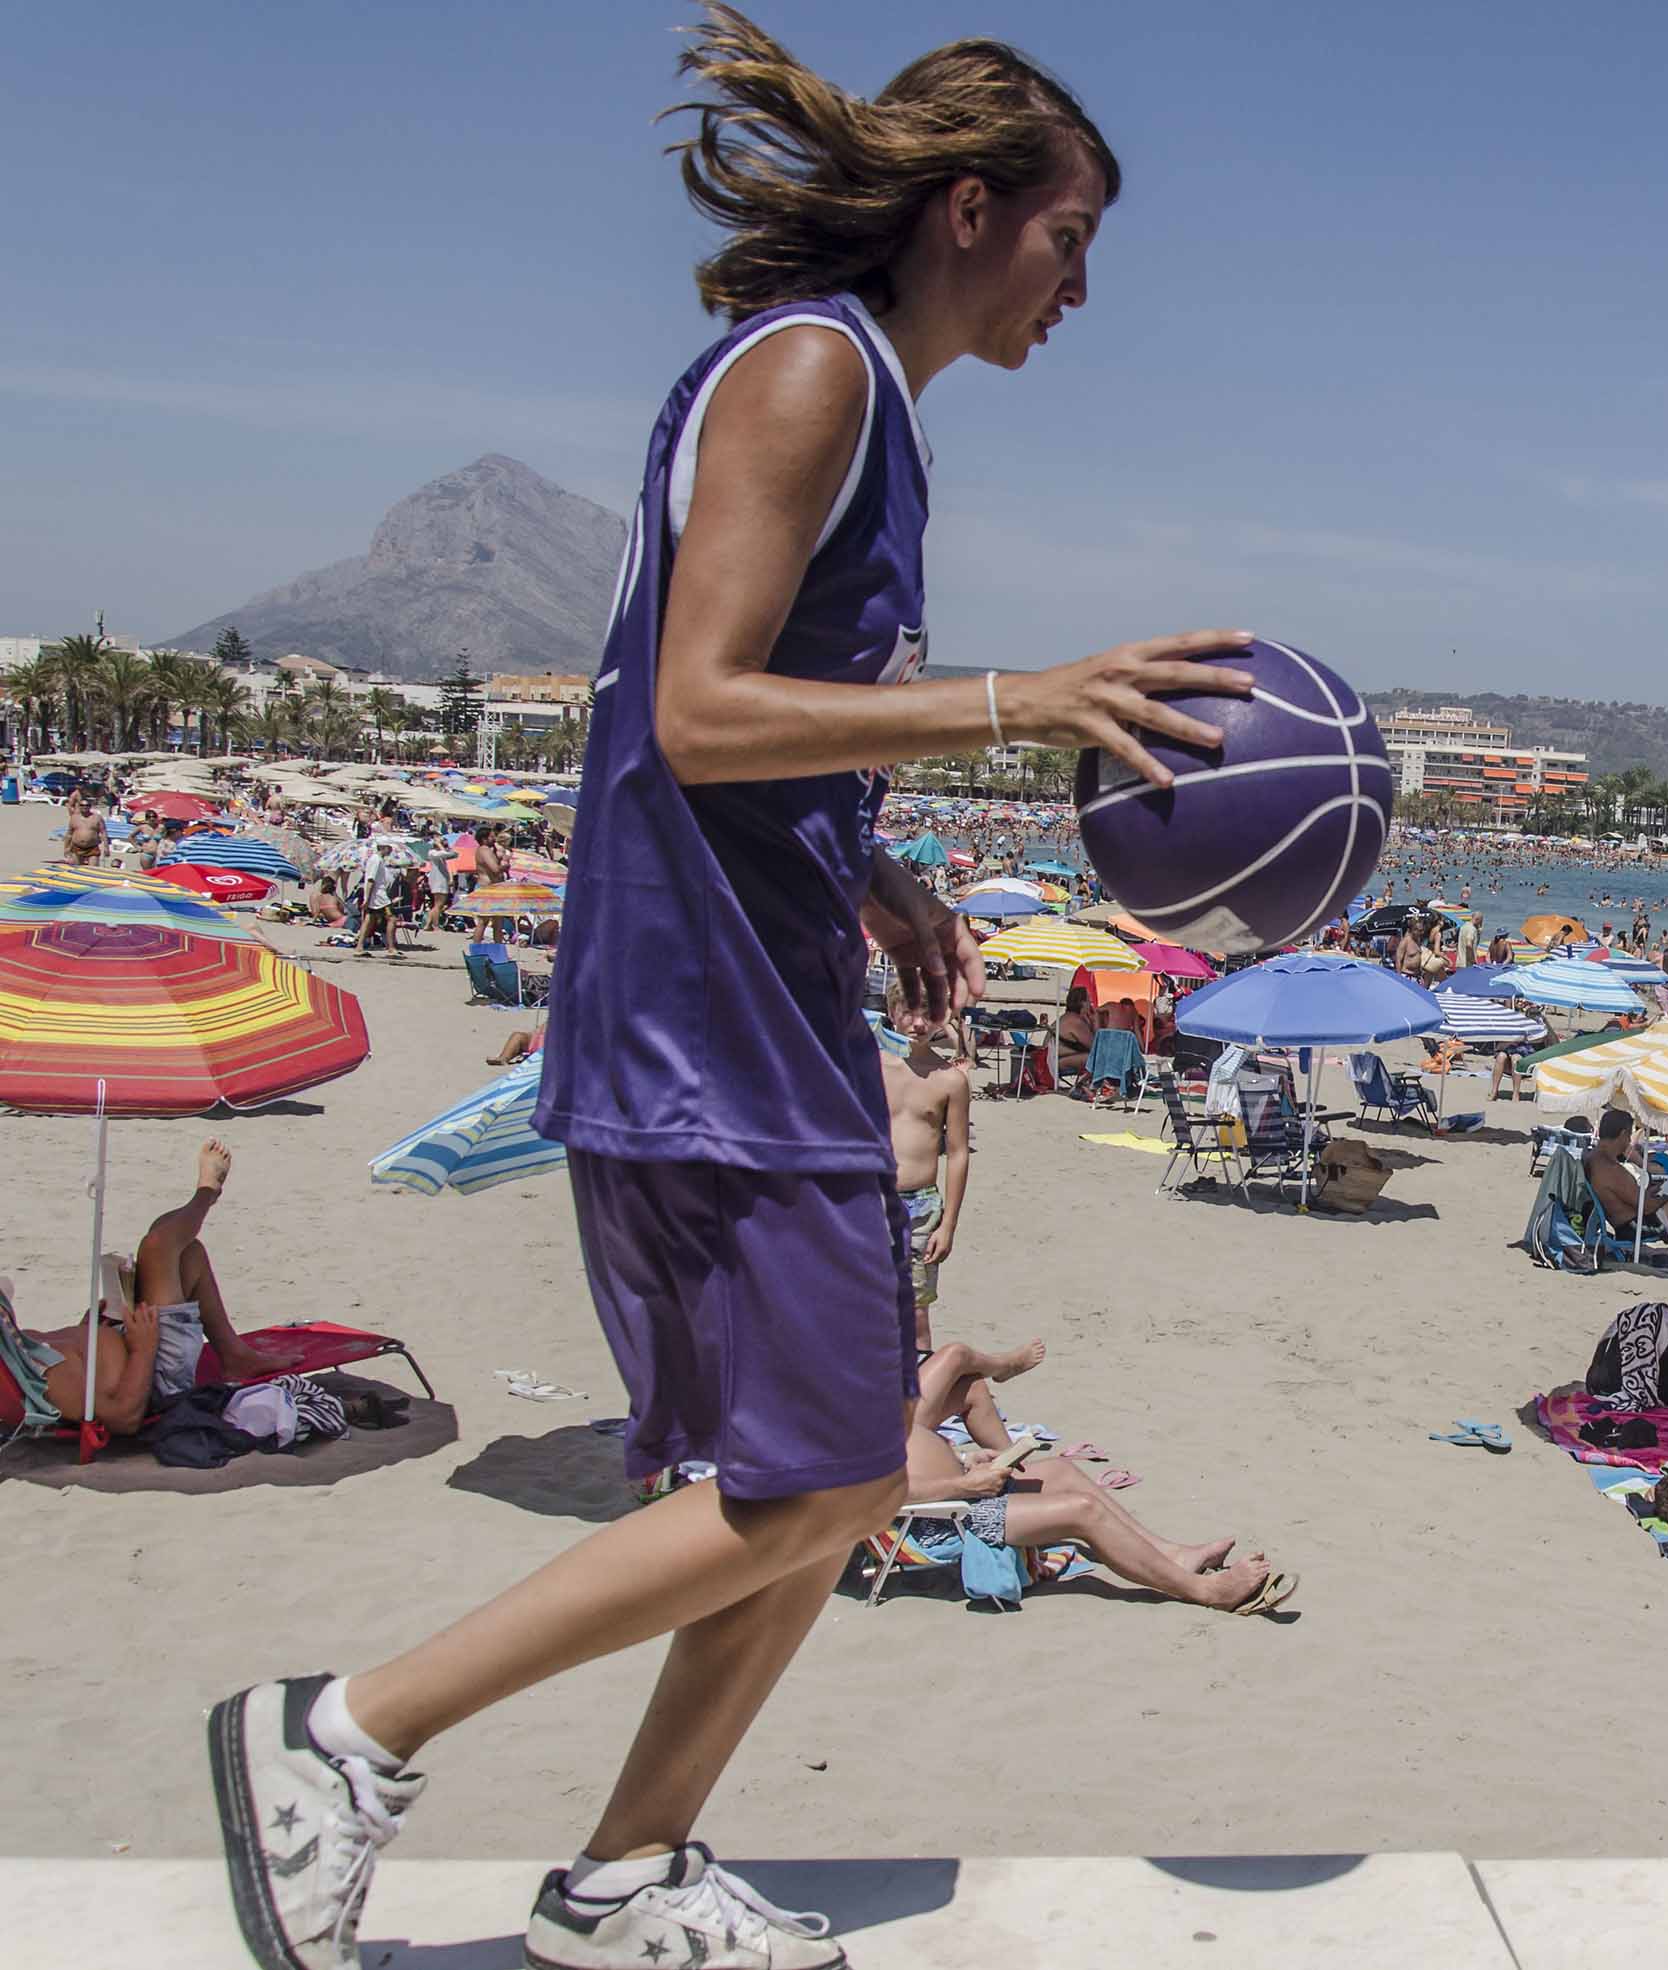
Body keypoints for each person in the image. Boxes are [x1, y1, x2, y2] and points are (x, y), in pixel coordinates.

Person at [210, 21, 1257, 1969]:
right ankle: (345, 1734)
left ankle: (628, 1873)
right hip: (699, 1011)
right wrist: (1020, 701)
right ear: (971, 210)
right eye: (1072, 237)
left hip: (760, 991)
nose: (1083, 287)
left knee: (824, 1466)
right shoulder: (810, 370)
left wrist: (869, 867)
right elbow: (695, 709)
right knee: (832, 1471)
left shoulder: (861, 401)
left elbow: (710, 715)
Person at [902, 1340, 1292, 1611]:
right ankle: (1205, 1591)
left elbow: (915, 1448)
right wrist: (963, 1483)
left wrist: (965, 1458)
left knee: (1061, 1471)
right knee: (1084, 1511)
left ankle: (1173, 1555)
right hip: (942, 1520)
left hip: (958, 1492)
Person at [21, 1139, 294, 1435]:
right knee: (159, 1244)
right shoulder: (47, 1377)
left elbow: (82, 1366)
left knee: (186, 1251)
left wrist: (89, 1329)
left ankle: (234, 1355)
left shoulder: (14, 1347)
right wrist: (143, 1349)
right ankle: (207, 1192)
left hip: (133, 1343)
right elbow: (125, 1418)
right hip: (157, 1376)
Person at [883, 999, 973, 1354]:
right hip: (868, 1197)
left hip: (920, 1207)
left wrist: (948, 1224)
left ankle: (920, 1386)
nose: (918, 1024)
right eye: (908, 1012)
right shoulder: (869, 1066)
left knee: (917, 1314)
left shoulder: (950, 1080)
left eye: (927, 1014)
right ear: (892, 1012)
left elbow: (958, 1152)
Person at [1584, 1110, 1668, 1246]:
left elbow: (1631, 1196)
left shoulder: (1595, 1158)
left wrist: (1661, 1189)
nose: (1629, 1141)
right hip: (1638, 1227)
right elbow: (1647, 1207)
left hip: (1630, 1222)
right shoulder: (1610, 1168)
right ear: (1623, 1134)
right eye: (1629, 1135)